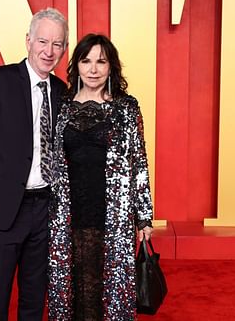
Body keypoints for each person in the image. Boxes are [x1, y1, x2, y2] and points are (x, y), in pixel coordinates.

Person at [0, 8, 68, 320]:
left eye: (58, 44)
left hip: (45, 210)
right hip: (2, 210)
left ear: (64, 49)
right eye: (43, 42)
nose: (49, 52)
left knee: (34, 302)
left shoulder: (62, 93)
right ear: (28, 41)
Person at [48, 33, 154, 320]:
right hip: (69, 214)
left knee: (108, 287)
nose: (93, 69)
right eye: (86, 61)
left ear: (111, 67)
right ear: (76, 66)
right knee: (73, 285)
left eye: (101, 62)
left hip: (113, 214)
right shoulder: (62, 105)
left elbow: (139, 162)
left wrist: (144, 217)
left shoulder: (126, 107)